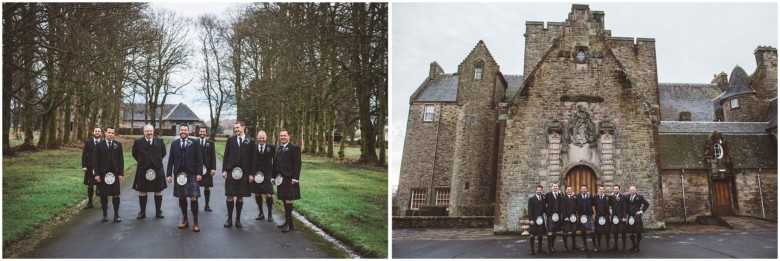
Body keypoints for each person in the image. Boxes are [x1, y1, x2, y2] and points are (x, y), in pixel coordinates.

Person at [166, 125, 204, 232]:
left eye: (185, 130)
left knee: (193, 197)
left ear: (189, 131)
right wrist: (169, 174)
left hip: (191, 173)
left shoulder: (195, 142)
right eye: (182, 130)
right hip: (179, 174)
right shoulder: (174, 143)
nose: (183, 131)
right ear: (179, 131)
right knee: (182, 197)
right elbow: (171, 160)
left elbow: (200, 159)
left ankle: (196, 222)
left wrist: (199, 173)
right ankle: (185, 220)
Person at [222, 121, 254, 228]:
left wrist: (251, 174)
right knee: (229, 195)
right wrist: (224, 170)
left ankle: (238, 220)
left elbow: (253, 158)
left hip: (244, 172)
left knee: (240, 196)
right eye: (234, 128)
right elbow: (226, 156)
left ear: (243, 127)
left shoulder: (250, 141)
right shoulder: (230, 140)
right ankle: (229, 219)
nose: (236, 129)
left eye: (238, 127)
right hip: (231, 171)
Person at [132, 125, 167, 219]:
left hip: (157, 168)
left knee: (158, 190)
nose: (149, 133)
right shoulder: (138, 142)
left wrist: (156, 160)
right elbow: (134, 154)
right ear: (144, 132)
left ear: (153, 131)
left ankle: (158, 212)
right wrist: (143, 161)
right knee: (142, 191)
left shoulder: (160, 141)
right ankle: (142, 212)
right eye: (147, 131)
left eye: (151, 131)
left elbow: (163, 153)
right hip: (143, 168)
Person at [271, 129, 301, 232]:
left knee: (288, 199)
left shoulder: (294, 147)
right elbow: (275, 164)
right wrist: (273, 176)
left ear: (289, 136)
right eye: (281, 135)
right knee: (284, 199)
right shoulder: (280, 148)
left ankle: (288, 224)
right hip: (280, 179)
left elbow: (298, 164)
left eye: (284, 135)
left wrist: (295, 178)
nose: (282, 137)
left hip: (289, 178)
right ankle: (289, 223)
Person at [93, 127, 124, 223]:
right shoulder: (99, 145)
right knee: (103, 195)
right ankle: (104, 215)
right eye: (109, 132)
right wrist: (97, 174)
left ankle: (116, 215)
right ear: (105, 133)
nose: (111, 134)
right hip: (103, 173)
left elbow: (121, 160)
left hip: (114, 174)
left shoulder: (117, 145)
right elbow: (96, 161)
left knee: (116, 194)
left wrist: (120, 173)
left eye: (112, 133)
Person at [251, 130, 276, 222]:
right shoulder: (253, 147)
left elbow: (275, 161)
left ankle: (270, 214)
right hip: (256, 174)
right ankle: (261, 213)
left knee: (268, 194)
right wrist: (251, 174)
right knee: (257, 193)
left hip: (267, 174)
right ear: (257, 137)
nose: (261, 139)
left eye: (263, 138)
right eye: (260, 138)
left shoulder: (272, 147)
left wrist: (273, 175)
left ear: (266, 138)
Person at [81, 126, 102, 209]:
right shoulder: (88, 143)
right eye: (96, 131)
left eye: (99, 131)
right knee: (90, 185)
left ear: (101, 133)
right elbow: (84, 155)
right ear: (93, 132)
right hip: (90, 167)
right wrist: (84, 166)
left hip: (100, 167)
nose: (97, 132)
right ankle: (90, 203)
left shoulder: (103, 142)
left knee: (101, 185)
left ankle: (103, 203)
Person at [197, 126, 217, 212]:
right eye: (201, 131)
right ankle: (195, 205)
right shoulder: (195, 142)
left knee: (207, 187)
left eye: (204, 131)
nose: (202, 133)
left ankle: (207, 205)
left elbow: (213, 156)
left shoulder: (211, 143)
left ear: (206, 133)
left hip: (208, 168)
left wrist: (213, 168)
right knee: (196, 187)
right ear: (199, 132)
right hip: (197, 169)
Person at [627, 186, 650, 252]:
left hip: (637, 217)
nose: (632, 191)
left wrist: (641, 211)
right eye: (631, 190)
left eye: (633, 190)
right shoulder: (627, 197)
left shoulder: (639, 197)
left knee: (638, 232)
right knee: (630, 232)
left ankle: (637, 246)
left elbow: (646, 204)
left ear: (635, 190)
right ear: (629, 191)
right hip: (630, 216)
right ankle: (633, 245)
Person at [527, 185, 547, 255]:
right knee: (532, 234)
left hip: (541, 219)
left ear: (542, 191)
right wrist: (530, 219)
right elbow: (530, 210)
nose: (539, 191)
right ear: (536, 190)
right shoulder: (531, 199)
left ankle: (540, 248)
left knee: (540, 234)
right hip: (534, 219)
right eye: (538, 190)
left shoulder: (543, 199)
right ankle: (532, 250)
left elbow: (545, 209)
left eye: (540, 190)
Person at [576, 185, 595, 256]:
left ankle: (594, 245)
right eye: (582, 188)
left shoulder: (590, 196)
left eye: (585, 188)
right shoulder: (577, 196)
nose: (583, 189)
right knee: (583, 231)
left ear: (587, 189)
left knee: (592, 230)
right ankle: (585, 246)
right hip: (581, 215)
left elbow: (593, 203)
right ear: (580, 189)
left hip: (589, 215)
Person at [545, 183, 564, 254]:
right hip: (550, 215)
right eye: (554, 186)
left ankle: (552, 246)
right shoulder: (548, 195)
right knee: (550, 231)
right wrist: (547, 213)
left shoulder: (560, 195)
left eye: (556, 186)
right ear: (551, 187)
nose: (555, 187)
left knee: (554, 231)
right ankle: (548, 248)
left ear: (558, 187)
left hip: (558, 216)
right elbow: (544, 204)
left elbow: (563, 202)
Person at [609, 184, 628, 251]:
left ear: (619, 190)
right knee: (615, 232)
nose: (615, 190)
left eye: (617, 189)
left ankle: (624, 246)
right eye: (614, 189)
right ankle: (616, 245)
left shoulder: (623, 197)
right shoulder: (611, 197)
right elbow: (607, 202)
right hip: (614, 217)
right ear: (613, 190)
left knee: (623, 232)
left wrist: (624, 217)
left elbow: (625, 208)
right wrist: (610, 196)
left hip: (621, 217)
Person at [593, 185, 611, 252]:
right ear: (598, 190)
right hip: (598, 217)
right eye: (600, 189)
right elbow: (591, 203)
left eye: (603, 189)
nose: (601, 190)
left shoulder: (608, 197)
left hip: (606, 216)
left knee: (607, 232)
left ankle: (608, 245)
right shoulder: (595, 197)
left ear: (604, 190)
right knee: (598, 233)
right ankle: (599, 245)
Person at [562, 186, 578, 251]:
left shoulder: (574, 197)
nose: (569, 190)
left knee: (574, 231)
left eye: (570, 189)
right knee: (565, 232)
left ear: (572, 190)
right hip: (566, 218)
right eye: (568, 189)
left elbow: (577, 206)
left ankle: (573, 245)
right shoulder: (563, 198)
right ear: (566, 191)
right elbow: (562, 208)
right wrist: (565, 217)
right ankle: (565, 246)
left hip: (573, 218)